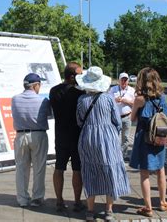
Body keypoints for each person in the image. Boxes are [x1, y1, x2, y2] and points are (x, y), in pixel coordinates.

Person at [76, 66, 130, 222]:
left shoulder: (81, 100)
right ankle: (108, 211)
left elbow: (79, 121)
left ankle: (90, 211)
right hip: (108, 138)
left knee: (89, 170)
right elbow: (117, 122)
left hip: (88, 137)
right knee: (110, 170)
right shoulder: (108, 99)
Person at [129, 67, 167, 217]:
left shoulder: (140, 99)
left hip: (144, 138)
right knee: (161, 169)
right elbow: (166, 114)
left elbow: (133, 119)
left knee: (144, 173)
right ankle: (162, 202)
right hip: (160, 136)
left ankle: (148, 207)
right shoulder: (162, 97)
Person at [49, 62, 86, 212]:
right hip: (77, 136)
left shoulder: (54, 91)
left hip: (60, 135)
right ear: (72, 77)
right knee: (77, 169)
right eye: (80, 74)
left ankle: (59, 201)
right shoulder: (80, 93)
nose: (81, 77)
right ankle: (77, 202)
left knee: (59, 167)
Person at [12, 73, 51, 208]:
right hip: (38, 135)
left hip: (20, 135)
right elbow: (49, 115)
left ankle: (22, 199)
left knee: (21, 168)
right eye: (39, 85)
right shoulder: (43, 101)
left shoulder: (15, 99)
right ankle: (37, 198)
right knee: (39, 168)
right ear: (35, 85)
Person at [108, 72, 135, 160]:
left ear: (128, 81)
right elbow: (107, 101)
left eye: (125, 80)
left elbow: (136, 103)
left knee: (126, 137)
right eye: (122, 80)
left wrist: (126, 101)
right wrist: (115, 100)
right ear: (119, 81)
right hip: (115, 117)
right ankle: (114, 154)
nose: (124, 81)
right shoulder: (113, 89)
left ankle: (123, 155)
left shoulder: (132, 90)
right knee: (114, 137)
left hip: (127, 117)